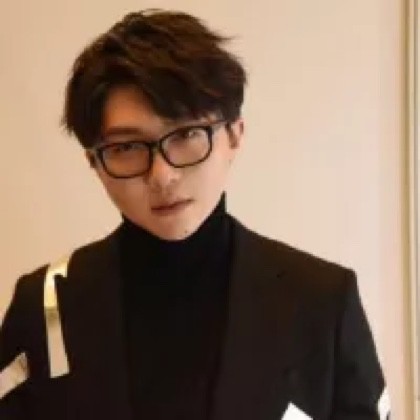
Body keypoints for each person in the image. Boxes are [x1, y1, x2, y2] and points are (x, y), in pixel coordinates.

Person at [0, 9, 390, 420]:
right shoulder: (45, 304)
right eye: (126, 147)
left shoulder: (322, 303)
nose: (162, 175)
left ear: (234, 134)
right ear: (94, 162)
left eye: (186, 134)